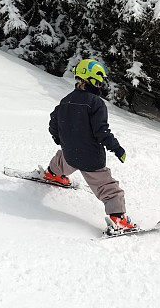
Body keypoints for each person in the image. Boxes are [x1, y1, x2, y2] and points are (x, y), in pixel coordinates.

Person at [43, 58, 137, 232]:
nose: (101, 84)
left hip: (70, 153)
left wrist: (60, 139)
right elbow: (101, 131)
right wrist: (116, 148)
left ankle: (52, 174)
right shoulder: (96, 103)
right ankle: (118, 218)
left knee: (62, 160)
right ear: (92, 79)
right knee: (108, 188)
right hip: (91, 158)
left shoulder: (66, 100)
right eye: (99, 80)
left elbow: (53, 122)